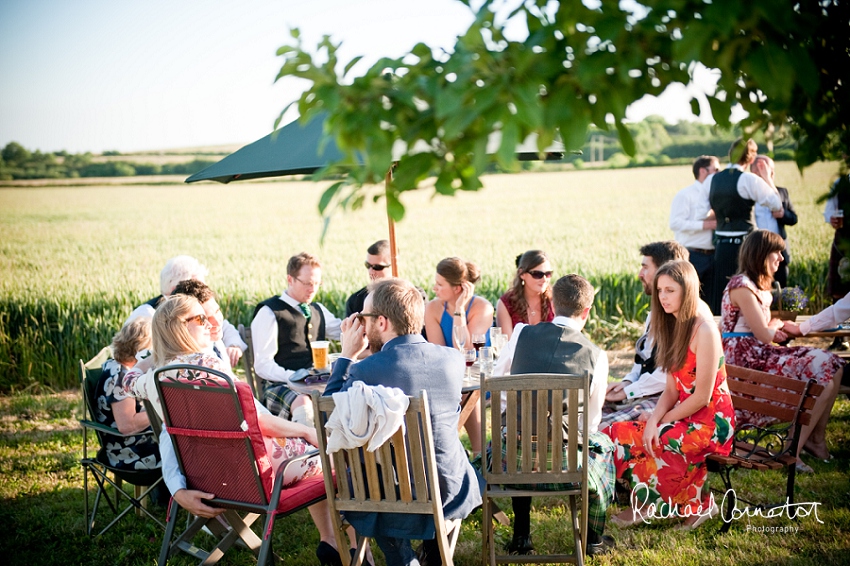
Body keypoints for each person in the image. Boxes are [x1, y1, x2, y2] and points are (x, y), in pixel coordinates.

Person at [148, 295, 352, 566]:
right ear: (177, 327)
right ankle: (351, 551)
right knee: (339, 455)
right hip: (258, 473)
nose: (210, 322)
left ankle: (332, 542)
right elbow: (259, 422)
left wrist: (177, 487)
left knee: (315, 447)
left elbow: (169, 434)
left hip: (213, 475)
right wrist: (304, 432)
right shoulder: (209, 366)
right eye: (199, 318)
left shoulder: (162, 376)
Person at [326, 278, 482, 566]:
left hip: (387, 498)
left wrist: (346, 355)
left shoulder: (363, 371)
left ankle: (403, 559)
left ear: (382, 322)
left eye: (364, 318)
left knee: (375, 484)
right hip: (447, 490)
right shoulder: (452, 360)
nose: (361, 324)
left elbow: (329, 416)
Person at [606, 260, 735, 529]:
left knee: (656, 437)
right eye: (660, 290)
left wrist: (662, 422)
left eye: (670, 290)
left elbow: (701, 397)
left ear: (687, 290)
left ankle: (657, 506)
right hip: (684, 417)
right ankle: (657, 503)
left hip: (711, 424)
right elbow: (671, 389)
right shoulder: (673, 327)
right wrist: (653, 419)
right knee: (619, 433)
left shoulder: (705, 330)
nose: (663, 297)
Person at [492, 274, 615, 556]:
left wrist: (512, 424)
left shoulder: (521, 334)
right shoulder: (597, 355)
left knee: (519, 441)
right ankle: (593, 539)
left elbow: (498, 386)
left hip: (510, 461)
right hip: (567, 466)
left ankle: (521, 536)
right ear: (586, 311)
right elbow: (591, 423)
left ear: (553, 303)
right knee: (605, 447)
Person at [720, 229, 844, 471]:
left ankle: (813, 441)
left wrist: (774, 329)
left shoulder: (752, 285)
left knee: (833, 368)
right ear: (761, 254)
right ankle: (793, 451)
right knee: (825, 372)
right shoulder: (741, 286)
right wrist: (775, 325)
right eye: (776, 252)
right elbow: (763, 334)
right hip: (745, 360)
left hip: (757, 352)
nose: (781, 258)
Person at [600, 241, 690, 430]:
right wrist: (626, 382)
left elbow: (667, 377)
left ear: (664, 272)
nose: (640, 274)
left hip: (664, 398)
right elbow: (644, 360)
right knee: (587, 413)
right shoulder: (655, 315)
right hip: (645, 393)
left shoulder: (682, 321)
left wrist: (629, 391)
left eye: (645, 267)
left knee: (602, 427)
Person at [251, 252, 342, 425]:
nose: (312, 289)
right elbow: (262, 365)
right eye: (307, 283)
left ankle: (338, 451)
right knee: (304, 404)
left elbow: (343, 332)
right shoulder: (269, 312)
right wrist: (295, 378)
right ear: (290, 279)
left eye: (316, 283)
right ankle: (308, 450)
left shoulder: (318, 309)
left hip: (318, 385)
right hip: (281, 385)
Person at [424, 256, 493, 455]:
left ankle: (478, 453)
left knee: (467, 391)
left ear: (457, 288)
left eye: (439, 284)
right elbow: (439, 351)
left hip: (480, 378)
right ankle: (450, 451)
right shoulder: (433, 308)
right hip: (448, 375)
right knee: (454, 389)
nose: (434, 289)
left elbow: (465, 350)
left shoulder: (483, 307)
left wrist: (460, 311)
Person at [125, 254, 246, 366]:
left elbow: (224, 327)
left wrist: (234, 345)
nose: (201, 290)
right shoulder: (147, 316)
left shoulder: (202, 312)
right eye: (194, 286)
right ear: (176, 290)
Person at [707, 139, 783, 313]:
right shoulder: (748, 179)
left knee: (722, 295)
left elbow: (705, 209)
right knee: (748, 292)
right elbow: (776, 204)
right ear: (751, 159)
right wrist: (766, 178)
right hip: (746, 246)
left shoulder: (714, 179)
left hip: (721, 245)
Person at [94, 317, 161, 472]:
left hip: (138, 442)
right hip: (130, 452)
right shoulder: (121, 377)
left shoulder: (116, 365)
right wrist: (163, 409)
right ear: (143, 350)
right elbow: (127, 426)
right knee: (185, 453)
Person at [669, 155, 719, 303]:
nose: (719, 173)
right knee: (690, 299)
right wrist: (704, 225)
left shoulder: (716, 194)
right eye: (715, 169)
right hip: (693, 255)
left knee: (711, 300)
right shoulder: (686, 195)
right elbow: (675, 223)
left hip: (714, 255)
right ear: (703, 171)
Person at [172, 279, 237, 372]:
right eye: (205, 318)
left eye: (217, 311)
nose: (217, 323)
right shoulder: (198, 364)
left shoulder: (215, 342)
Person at [752, 155, 797, 287]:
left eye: (772, 171)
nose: (772, 174)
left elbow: (793, 218)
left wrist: (783, 214)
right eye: (768, 170)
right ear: (755, 171)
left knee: (780, 290)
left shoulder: (782, 192)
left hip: (779, 251)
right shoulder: (747, 194)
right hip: (756, 249)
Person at [494, 250, 555, 338]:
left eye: (548, 274)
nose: (544, 279)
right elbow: (507, 345)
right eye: (538, 274)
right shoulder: (506, 303)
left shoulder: (555, 300)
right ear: (521, 273)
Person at [822, 174, 850, 349]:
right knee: (839, 291)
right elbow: (829, 210)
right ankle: (841, 338)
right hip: (843, 238)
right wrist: (831, 217)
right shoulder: (840, 182)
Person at [345, 240, 392, 317]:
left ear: (393, 265)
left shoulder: (411, 298)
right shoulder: (355, 301)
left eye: (377, 267)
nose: (371, 272)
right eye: (368, 265)